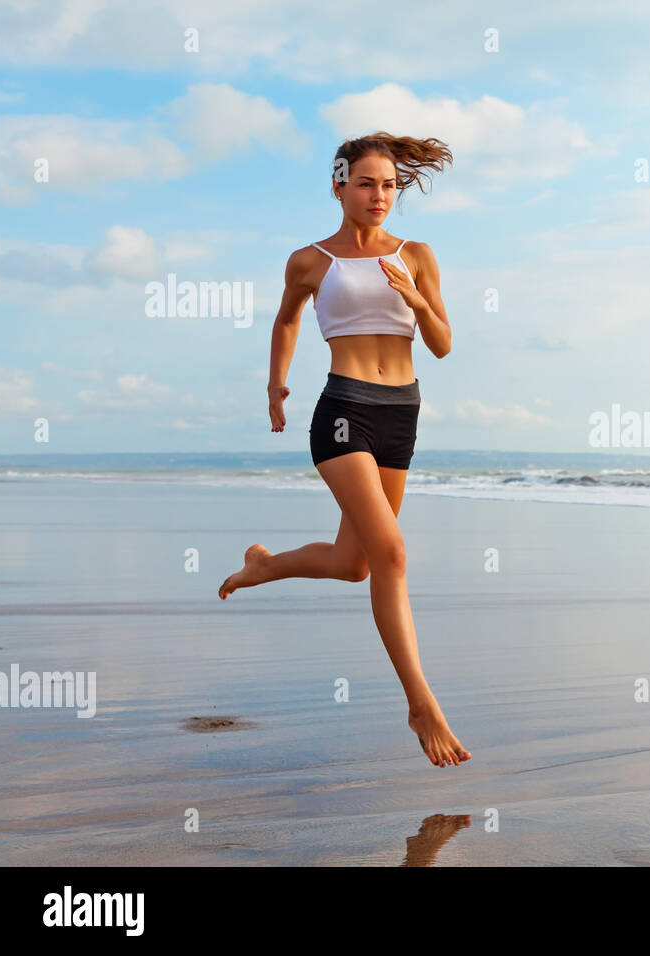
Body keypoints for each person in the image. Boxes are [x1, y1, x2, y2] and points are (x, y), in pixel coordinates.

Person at [218, 132, 469, 769]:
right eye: (366, 183)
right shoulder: (310, 260)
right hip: (343, 412)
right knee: (391, 552)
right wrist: (276, 385)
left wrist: (413, 297)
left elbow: (442, 344)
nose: (379, 195)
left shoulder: (418, 254)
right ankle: (419, 702)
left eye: (389, 185)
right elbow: (287, 319)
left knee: (357, 563)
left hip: (401, 413)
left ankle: (264, 566)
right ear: (339, 185)